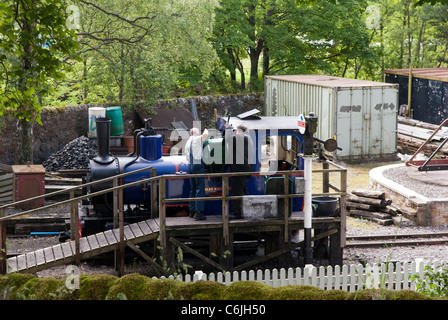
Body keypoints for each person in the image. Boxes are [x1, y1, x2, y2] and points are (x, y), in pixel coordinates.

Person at [223, 124, 254, 219]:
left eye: (236, 131)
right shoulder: (246, 139)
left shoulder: (243, 138)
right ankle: (245, 211)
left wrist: (228, 128)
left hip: (240, 170)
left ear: (240, 131)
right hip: (243, 169)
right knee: (243, 191)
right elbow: (225, 142)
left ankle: (239, 213)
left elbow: (227, 140)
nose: (235, 133)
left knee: (237, 192)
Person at [185, 127, 208, 220]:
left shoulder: (187, 142)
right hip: (197, 165)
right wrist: (205, 129)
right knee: (200, 188)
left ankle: (192, 211)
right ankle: (198, 213)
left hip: (190, 166)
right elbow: (205, 134)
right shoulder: (196, 139)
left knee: (193, 188)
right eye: (199, 133)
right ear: (196, 134)